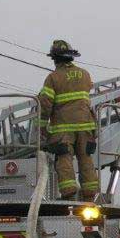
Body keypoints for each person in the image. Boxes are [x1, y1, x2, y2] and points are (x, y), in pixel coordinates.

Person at [38, 40, 100, 201]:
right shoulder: (85, 74)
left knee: (64, 158)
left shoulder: (53, 78)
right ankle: (90, 193)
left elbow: (45, 105)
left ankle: (69, 192)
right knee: (86, 157)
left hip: (63, 129)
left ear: (55, 59)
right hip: (86, 126)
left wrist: (42, 128)